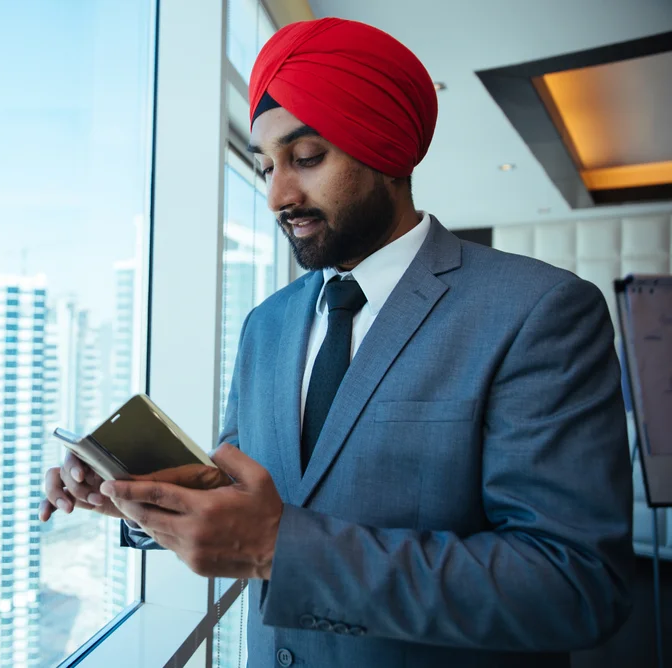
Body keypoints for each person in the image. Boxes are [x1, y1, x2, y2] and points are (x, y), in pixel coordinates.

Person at [40, 16, 634, 668]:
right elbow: (239, 504)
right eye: (266, 167)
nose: (277, 195)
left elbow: (575, 584)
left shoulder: (540, 311)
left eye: (306, 158)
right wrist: (137, 497)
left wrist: (279, 547)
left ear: (387, 154)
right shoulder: (265, 325)